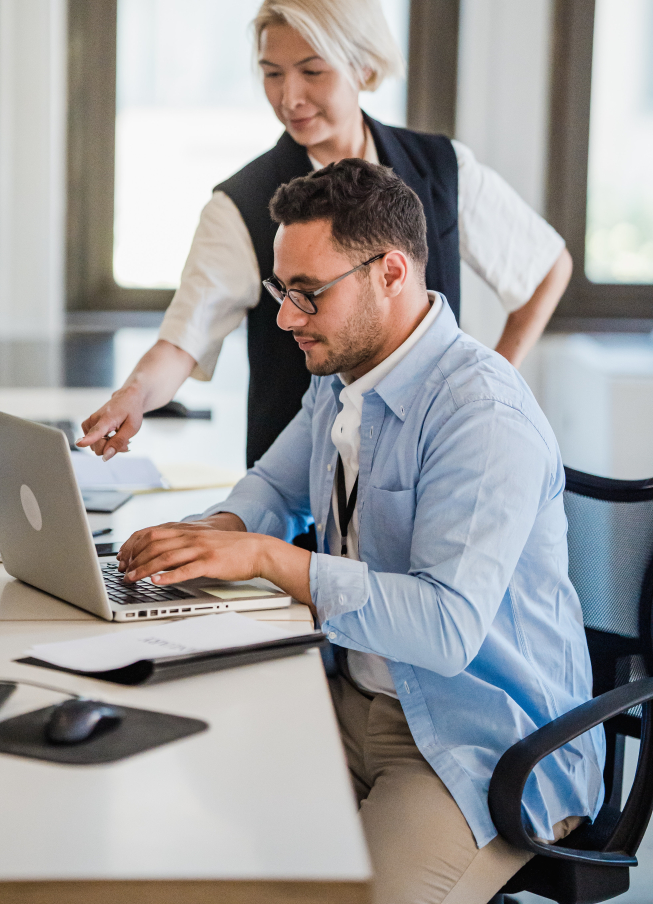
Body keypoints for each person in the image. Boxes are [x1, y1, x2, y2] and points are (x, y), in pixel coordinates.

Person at [115, 160, 604, 904]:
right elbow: (275, 486)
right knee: (182, 831)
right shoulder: (342, 376)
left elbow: (445, 629)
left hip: (481, 742)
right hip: (352, 702)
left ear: (391, 273)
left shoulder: (481, 415)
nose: (285, 318)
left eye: (307, 294)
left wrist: (275, 560)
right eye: (283, 292)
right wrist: (215, 531)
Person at [78, 0, 572, 468]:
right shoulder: (241, 204)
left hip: (427, 469)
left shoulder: (442, 169)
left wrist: (487, 384)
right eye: (272, 74)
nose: (290, 97)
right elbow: (182, 342)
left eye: (312, 71)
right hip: (293, 490)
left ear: (364, 66)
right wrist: (133, 396)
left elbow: (546, 266)